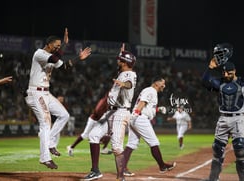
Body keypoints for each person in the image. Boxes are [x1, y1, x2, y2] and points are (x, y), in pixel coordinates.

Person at [24, 28, 91, 169]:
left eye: (59, 46)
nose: (58, 48)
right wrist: (65, 44)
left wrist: (79, 58)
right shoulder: (40, 53)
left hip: (45, 93)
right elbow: (55, 59)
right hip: (36, 93)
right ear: (48, 44)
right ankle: (45, 158)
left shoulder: (51, 55)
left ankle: (50, 143)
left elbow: (65, 66)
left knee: (64, 115)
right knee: (45, 123)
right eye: (56, 46)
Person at [201, 43, 244, 181]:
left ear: (234, 71)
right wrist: (210, 68)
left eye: (229, 72)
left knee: (240, 148)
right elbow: (204, 82)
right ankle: (213, 178)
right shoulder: (220, 83)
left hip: (238, 119)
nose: (226, 74)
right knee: (217, 149)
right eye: (224, 72)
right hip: (223, 119)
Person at [82, 46, 137, 181]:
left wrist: (124, 85)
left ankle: (121, 177)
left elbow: (129, 83)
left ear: (124, 62)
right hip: (111, 112)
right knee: (94, 135)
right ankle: (95, 171)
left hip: (120, 112)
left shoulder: (130, 74)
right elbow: (121, 68)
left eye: (119, 59)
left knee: (117, 147)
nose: (117, 61)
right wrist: (121, 52)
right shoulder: (122, 71)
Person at [122, 77, 177, 177]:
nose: (164, 86)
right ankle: (162, 166)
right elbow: (142, 103)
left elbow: (147, 107)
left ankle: (122, 167)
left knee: (132, 143)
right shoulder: (151, 90)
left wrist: (158, 109)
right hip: (140, 118)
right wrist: (136, 114)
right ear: (156, 83)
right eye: (162, 83)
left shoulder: (150, 91)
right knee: (153, 142)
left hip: (137, 117)